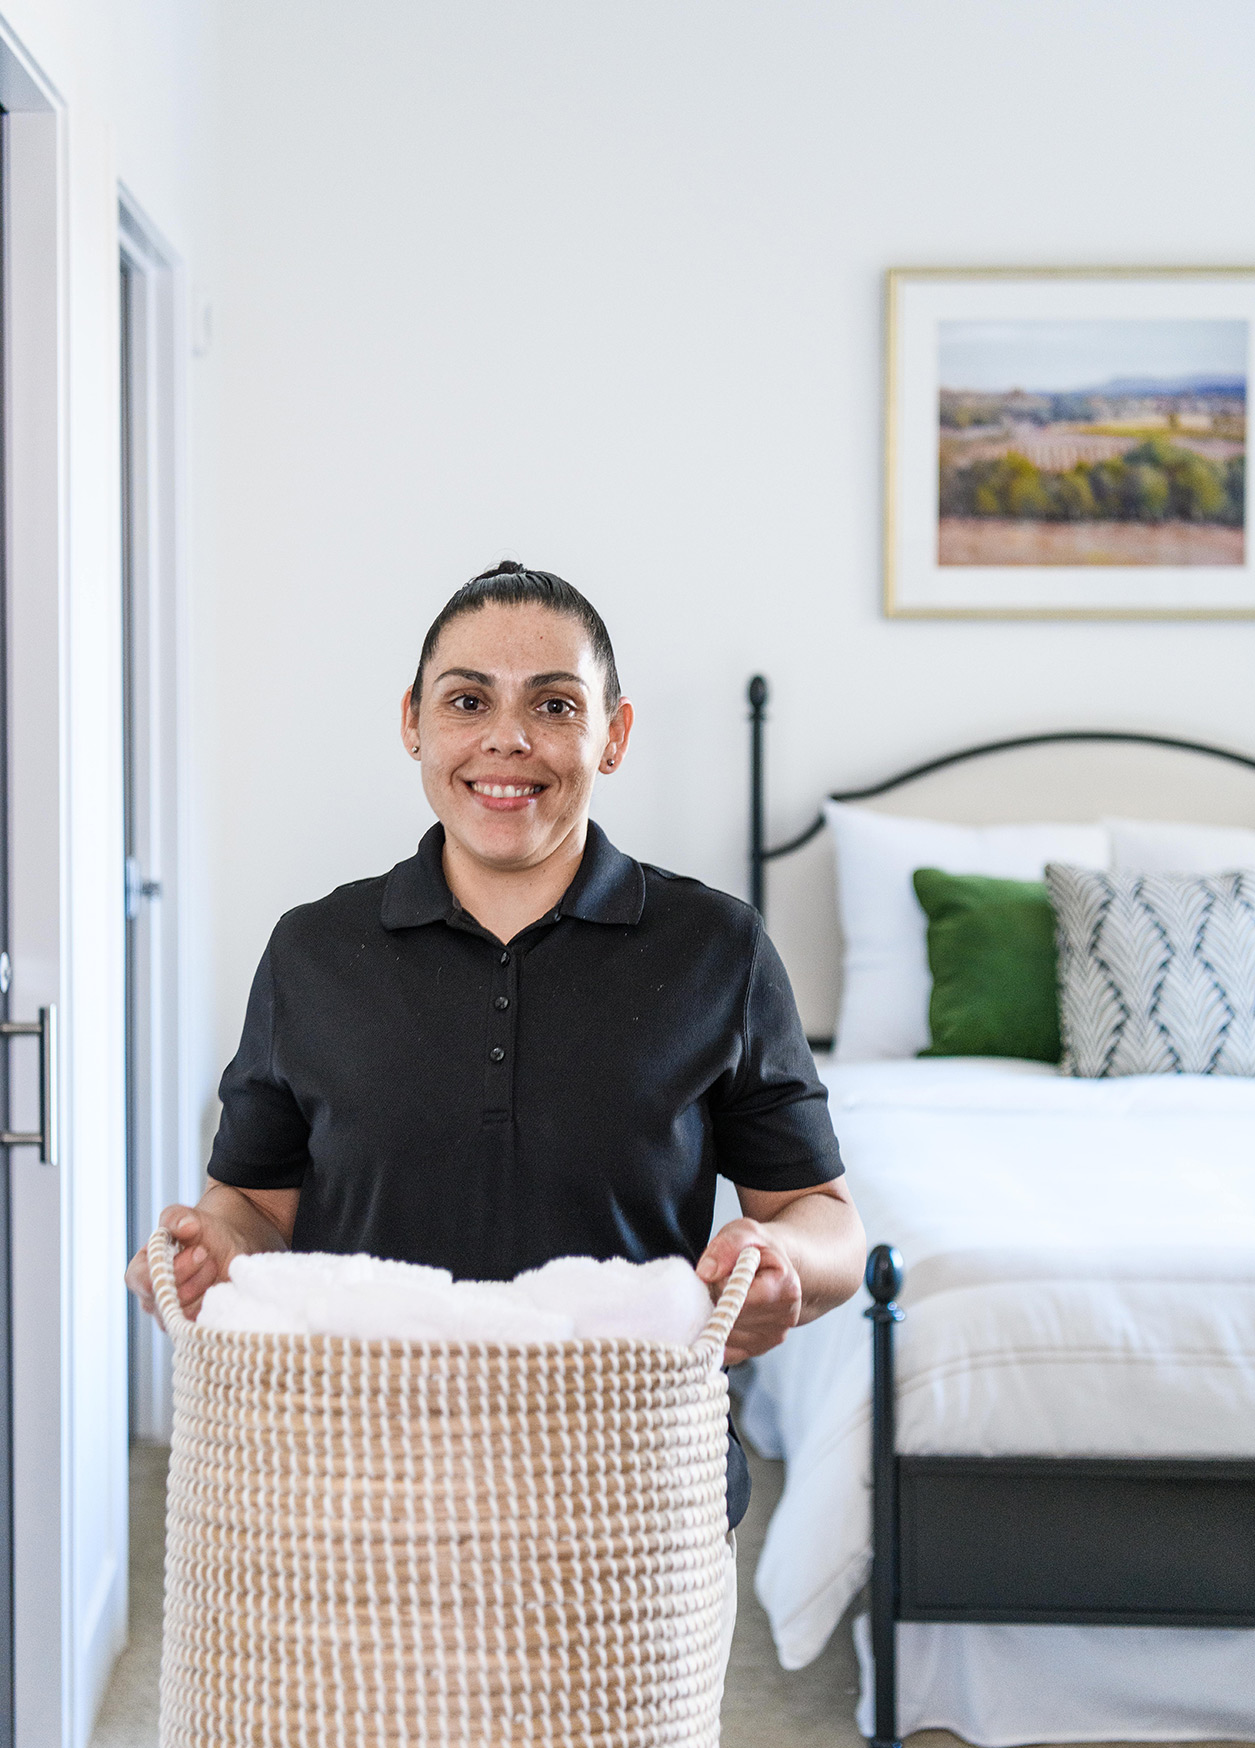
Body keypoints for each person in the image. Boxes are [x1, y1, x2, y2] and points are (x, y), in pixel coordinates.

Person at [125, 562, 865, 1543]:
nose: (506, 739)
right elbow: (256, 1205)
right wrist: (213, 1251)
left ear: (614, 734)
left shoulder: (715, 950)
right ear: (413, 724)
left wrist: (780, 1261)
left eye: (553, 704)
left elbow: (826, 1224)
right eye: (467, 699)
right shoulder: (312, 950)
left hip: (631, 1488)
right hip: (358, 1483)